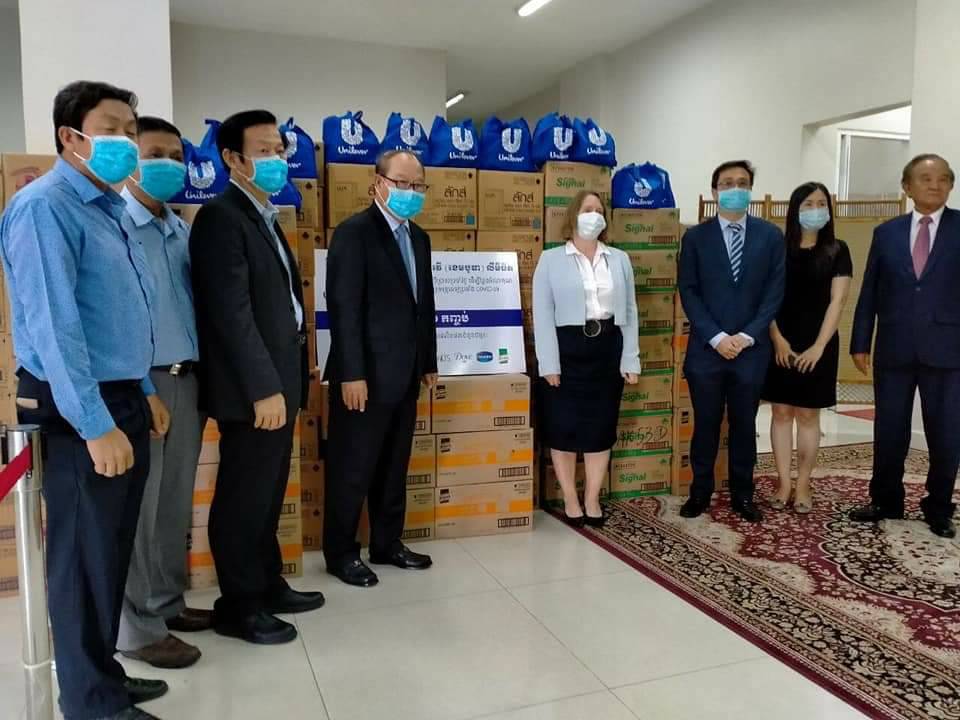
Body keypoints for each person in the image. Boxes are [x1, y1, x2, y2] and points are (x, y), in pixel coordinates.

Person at [0, 81, 169, 720]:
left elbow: (120, 315)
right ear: (70, 137)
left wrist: (144, 387)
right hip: (76, 405)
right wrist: (95, 423)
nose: (126, 141)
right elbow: (55, 329)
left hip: (120, 394)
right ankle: (90, 702)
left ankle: (102, 674)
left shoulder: (107, 208)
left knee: (111, 550)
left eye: (131, 130)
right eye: (111, 129)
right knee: (81, 558)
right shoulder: (45, 207)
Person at [189, 110, 325, 645]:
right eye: (264, 151)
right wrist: (263, 387)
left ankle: (267, 583)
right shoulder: (221, 218)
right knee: (243, 497)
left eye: (279, 150)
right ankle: (239, 605)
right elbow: (231, 314)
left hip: (280, 380)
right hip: (255, 391)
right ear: (232, 158)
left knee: (267, 493)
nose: (278, 160)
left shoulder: (264, 216)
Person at [116, 116, 210, 669]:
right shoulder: (116, 227)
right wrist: (141, 385)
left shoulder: (179, 229)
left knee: (174, 504)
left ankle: (167, 603)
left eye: (176, 156)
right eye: (155, 154)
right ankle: (137, 629)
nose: (168, 165)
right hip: (144, 383)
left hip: (186, 378)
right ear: (130, 160)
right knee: (141, 511)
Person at [324, 149, 438, 587]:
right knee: (353, 467)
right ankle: (341, 552)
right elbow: (344, 308)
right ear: (378, 183)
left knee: (394, 465)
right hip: (364, 377)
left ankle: (387, 542)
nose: (410, 192)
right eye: (402, 183)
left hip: (406, 374)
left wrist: (428, 361)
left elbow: (424, 306)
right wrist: (352, 373)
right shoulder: (354, 234)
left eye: (417, 185)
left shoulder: (419, 238)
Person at [849, 154, 959, 539]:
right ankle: (886, 500)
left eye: (943, 179)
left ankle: (939, 506)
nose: (935, 185)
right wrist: (860, 341)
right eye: (925, 178)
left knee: (946, 433)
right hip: (894, 347)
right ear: (907, 186)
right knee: (890, 428)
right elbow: (870, 290)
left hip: (948, 350)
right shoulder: (887, 233)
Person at [677, 160, 785, 523]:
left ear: (751, 190)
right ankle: (699, 492)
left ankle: (743, 494)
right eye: (727, 183)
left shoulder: (770, 236)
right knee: (705, 423)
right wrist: (718, 337)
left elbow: (774, 293)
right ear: (714, 191)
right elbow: (689, 291)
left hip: (751, 352)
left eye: (742, 183)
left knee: (744, 425)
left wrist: (746, 336)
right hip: (707, 350)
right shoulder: (695, 238)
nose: (735, 189)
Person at [533, 191, 640, 527]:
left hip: (607, 347)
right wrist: (549, 364)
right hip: (566, 348)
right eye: (587, 209)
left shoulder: (619, 259)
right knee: (563, 427)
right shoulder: (551, 259)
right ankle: (570, 497)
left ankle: (592, 497)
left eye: (599, 210)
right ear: (573, 215)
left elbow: (630, 311)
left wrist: (630, 358)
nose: (594, 215)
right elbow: (542, 314)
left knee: (600, 427)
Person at [762, 183, 852, 513]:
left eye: (821, 203)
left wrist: (818, 347)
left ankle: (803, 483)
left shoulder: (837, 250)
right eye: (808, 204)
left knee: (808, 414)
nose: (816, 209)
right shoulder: (777, 248)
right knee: (781, 412)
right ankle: (783, 482)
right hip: (780, 340)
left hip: (820, 342)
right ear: (795, 209)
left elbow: (837, 302)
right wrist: (777, 338)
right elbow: (766, 297)